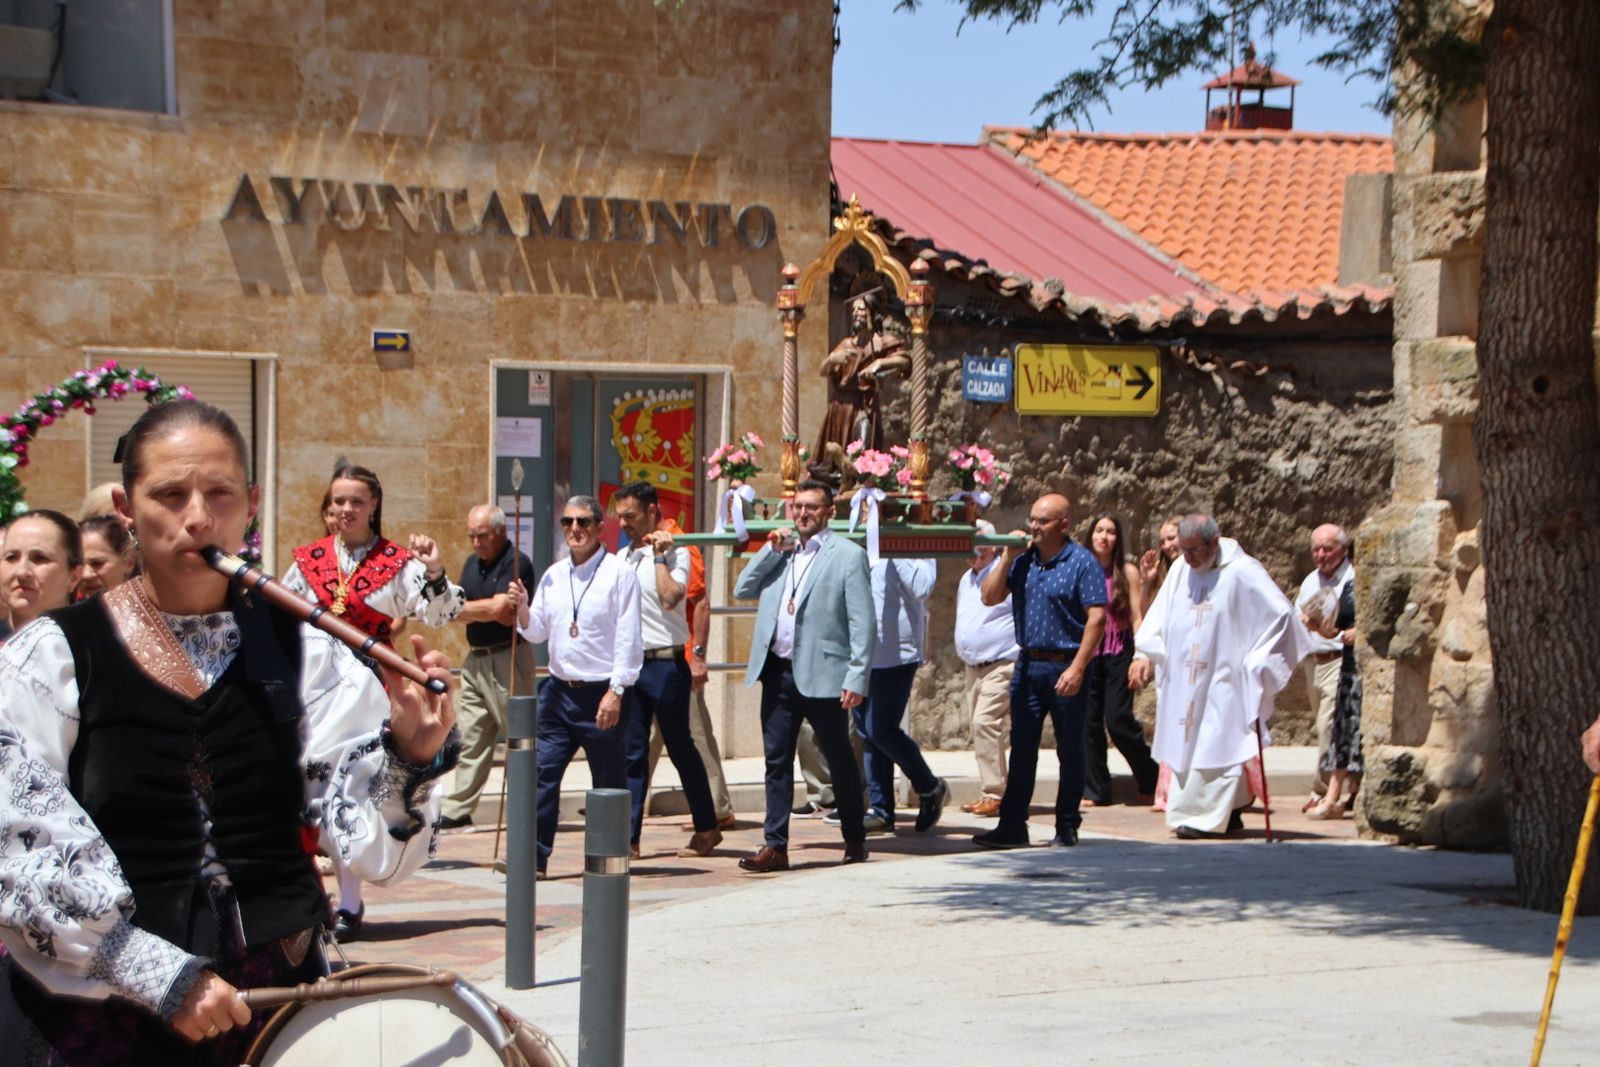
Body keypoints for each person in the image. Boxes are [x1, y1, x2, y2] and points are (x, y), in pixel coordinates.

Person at [0, 399, 457, 1064]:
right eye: (169, 494)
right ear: (127, 511)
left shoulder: (311, 650)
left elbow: (371, 855)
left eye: (218, 494)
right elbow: (18, 841)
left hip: (272, 1008)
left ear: (249, 505)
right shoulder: (51, 656)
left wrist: (408, 758)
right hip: (96, 1010)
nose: (196, 516)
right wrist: (161, 975)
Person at [282, 463, 465, 940]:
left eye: (356, 501)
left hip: (372, 691)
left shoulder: (396, 562)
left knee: (353, 791)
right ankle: (307, 898)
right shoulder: (308, 560)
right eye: (338, 500)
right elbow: (279, 613)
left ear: (373, 505)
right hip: (316, 689)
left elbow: (442, 611)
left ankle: (349, 904)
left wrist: (435, 569)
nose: (346, 509)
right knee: (306, 792)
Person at [1129, 515, 1313, 839]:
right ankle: (1228, 811)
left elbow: (1282, 615)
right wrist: (1144, 653)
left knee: (1220, 742)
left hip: (1222, 677)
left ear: (1215, 542)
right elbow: (1159, 617)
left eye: (1195, 550)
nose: (1188, 558)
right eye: (1183, 550)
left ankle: (1205, 817)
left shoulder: (1242, 572)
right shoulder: (1181, 572)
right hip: (1183, 681)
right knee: (1190, 743)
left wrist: (1258, 661)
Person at [733, 479, 874, 872]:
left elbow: (863, 622)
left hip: (825, 674)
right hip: (778, 673)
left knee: (839, 758)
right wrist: (768, 549)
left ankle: (854, 836)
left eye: (812, 507)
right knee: (775, 761)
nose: (803, 514)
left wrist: (857, 676)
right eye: (797, 507)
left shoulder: (847, 555)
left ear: (829, 512)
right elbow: (743, 588)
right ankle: (775, 845)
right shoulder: (781, 552)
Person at [508, 495, 642, 878]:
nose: (575, 530)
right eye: (567, 522)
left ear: (600, 527)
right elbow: (536, 630)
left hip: (601, 691)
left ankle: (609, 857)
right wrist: (520, 607)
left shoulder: (619, 574)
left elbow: (629, 638)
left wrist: (616, 690)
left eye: (583, 522)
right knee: (542, 773)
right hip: (558, 690)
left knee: (608, 782)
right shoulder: (553, 574)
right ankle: (533, 858)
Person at [973, 493, 1106, 850]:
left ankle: (1067, 825)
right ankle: (1013, 825)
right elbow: (989, 596)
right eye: (1032, 519)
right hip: (1028, 665)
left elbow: (1097, 618)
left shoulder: (1082, 562)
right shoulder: (1024, 560)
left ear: (1063, 524)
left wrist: (1078, 667)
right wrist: (1006, 556)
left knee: (1069, 749)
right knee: (1023, 748)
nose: (1033, 526)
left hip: (1065, 665)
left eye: (1042, 521)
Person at [611, 482, 721, 859]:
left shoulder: (680, 552)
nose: (624, 523)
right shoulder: (624, 556)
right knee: (632, 753)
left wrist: (659, 557)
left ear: (653, 512)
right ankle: (628, 838)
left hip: (666, 665)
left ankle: (707, 827)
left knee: (681, 749)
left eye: (632, 516)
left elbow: (671, 597)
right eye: (620, 516)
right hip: (632, 665)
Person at [438, 505, 537, 832]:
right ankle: (459, 807)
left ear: (500, 532)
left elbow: (500, 607)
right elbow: (454, 608)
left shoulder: (517, 563)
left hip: (507, 657)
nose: (475, 541)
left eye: (481, 535)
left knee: (520, 738)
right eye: (471, 535)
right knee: (469, 736)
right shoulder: (471, 564)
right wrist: (479, 610)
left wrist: (473, 609)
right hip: (475, 658)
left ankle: (534, 801)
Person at [842, 556, 947, 834]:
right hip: (860, 654)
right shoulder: (861, 542)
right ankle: (880, 809)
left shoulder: (915, 549)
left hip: (897, 654)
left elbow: (923, 587)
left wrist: (894, 548)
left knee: (882, 730)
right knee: (866, 732)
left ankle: (929, 786)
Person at [1082, 513, 1160, 807]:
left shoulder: (1126, 571)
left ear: (1117, 538)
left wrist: (1141, 655)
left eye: (1111, 532)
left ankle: (1150, 776)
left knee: (1117, 720)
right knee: (1088, 723)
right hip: (1089, 654)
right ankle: (1096, 789)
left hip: (1119, 652)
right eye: (1099, 530)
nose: (1104, 536)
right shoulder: (1082, 568)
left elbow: (1138, 615)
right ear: (1091, 535)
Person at [954, 520, 1018, 817]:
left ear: (994, 545)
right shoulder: (966, 578)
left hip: (1002, 662)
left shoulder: (1004, 573)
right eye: (969, 543)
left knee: (985, 722)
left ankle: (996, 793)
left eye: (980, 543)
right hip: (973, 667)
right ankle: (991, 790)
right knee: (978, 726)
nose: (975, 550)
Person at [1295, 523, 1359, 814]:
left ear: (1343, 549)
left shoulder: (1353, 578)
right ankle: (1353, 786)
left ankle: (1320, 791)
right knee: (1328, 725)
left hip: (1340, 660)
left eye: (1328, 549)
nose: (1321, 555)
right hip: (1314, 660)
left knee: (1328, 726)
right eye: (1316, 549)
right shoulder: (1311, 581)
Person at [814, 289, 910, 458]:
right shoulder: (847, 344)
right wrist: (831, 360)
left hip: (865, 404)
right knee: (837, 457)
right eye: (853, 310)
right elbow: (823, 371)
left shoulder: (881, 342)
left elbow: (905, 361)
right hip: (841, 405)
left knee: (863, 449)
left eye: (861, 309)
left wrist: (879, 363)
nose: (856, 314)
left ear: (872, 313)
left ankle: (862, 479)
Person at [1, 510, 81, 636]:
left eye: (40, 558)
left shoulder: (98, 649)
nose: (22, 572)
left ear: (74, 577)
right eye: (11, 557)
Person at [77, 514, 138, 599]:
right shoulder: (60, 610)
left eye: (97, 563)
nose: (86, 575)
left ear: (128, 561)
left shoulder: (155, 609)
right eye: (78, 565)